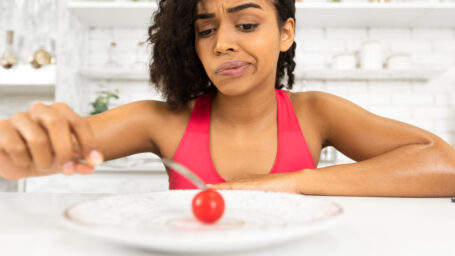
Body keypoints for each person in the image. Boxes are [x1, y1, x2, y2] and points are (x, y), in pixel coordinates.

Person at [0, 0, 454, 196]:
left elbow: (444, 165)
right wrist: (23, 148)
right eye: (206, 30)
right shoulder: (160, 121)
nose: (222, 45)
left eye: (248, 24)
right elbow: (36, 150)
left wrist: (290, 181)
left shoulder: (316, 112)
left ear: (285, 33)